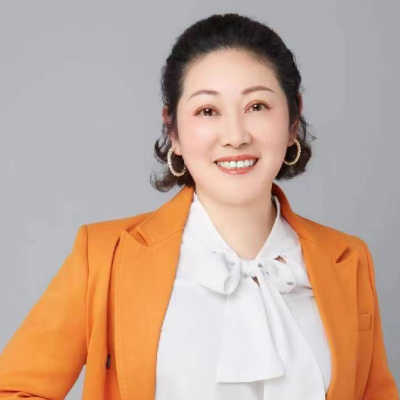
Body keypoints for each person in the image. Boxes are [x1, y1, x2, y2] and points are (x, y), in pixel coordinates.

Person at [0, 12, 398, 400]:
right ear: (172, 129)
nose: (235, 136)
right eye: (208, 111)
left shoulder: (348, 261)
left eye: (257, 106)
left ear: (293, 119)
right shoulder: (105, 257)